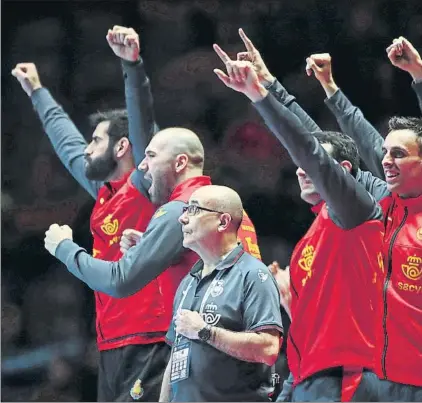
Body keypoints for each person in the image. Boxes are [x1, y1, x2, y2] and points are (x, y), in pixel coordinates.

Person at [213, 47, 386, 401]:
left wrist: (261, 95)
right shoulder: (313, 235)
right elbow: (315, 146)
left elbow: (310, 150)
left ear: (345, 175)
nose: (298, 168)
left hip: (345, 377)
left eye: (311, 163)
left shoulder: (355, 214)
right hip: (306, 371)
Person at [307, 46, 422, 401]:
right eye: (385, 154)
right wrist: (329, 87)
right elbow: (350, 139)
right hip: (372, 378)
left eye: (398, 154)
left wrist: (418, 74)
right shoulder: (382, 203)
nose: (385, 161)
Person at [159, 185, 283, 402]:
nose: (183, 218)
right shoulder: (188, 282)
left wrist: (206, 331)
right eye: (184, 210)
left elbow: (269, 349)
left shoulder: (253, 274)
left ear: (223, 222)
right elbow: (175, 357)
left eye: (194, 210)